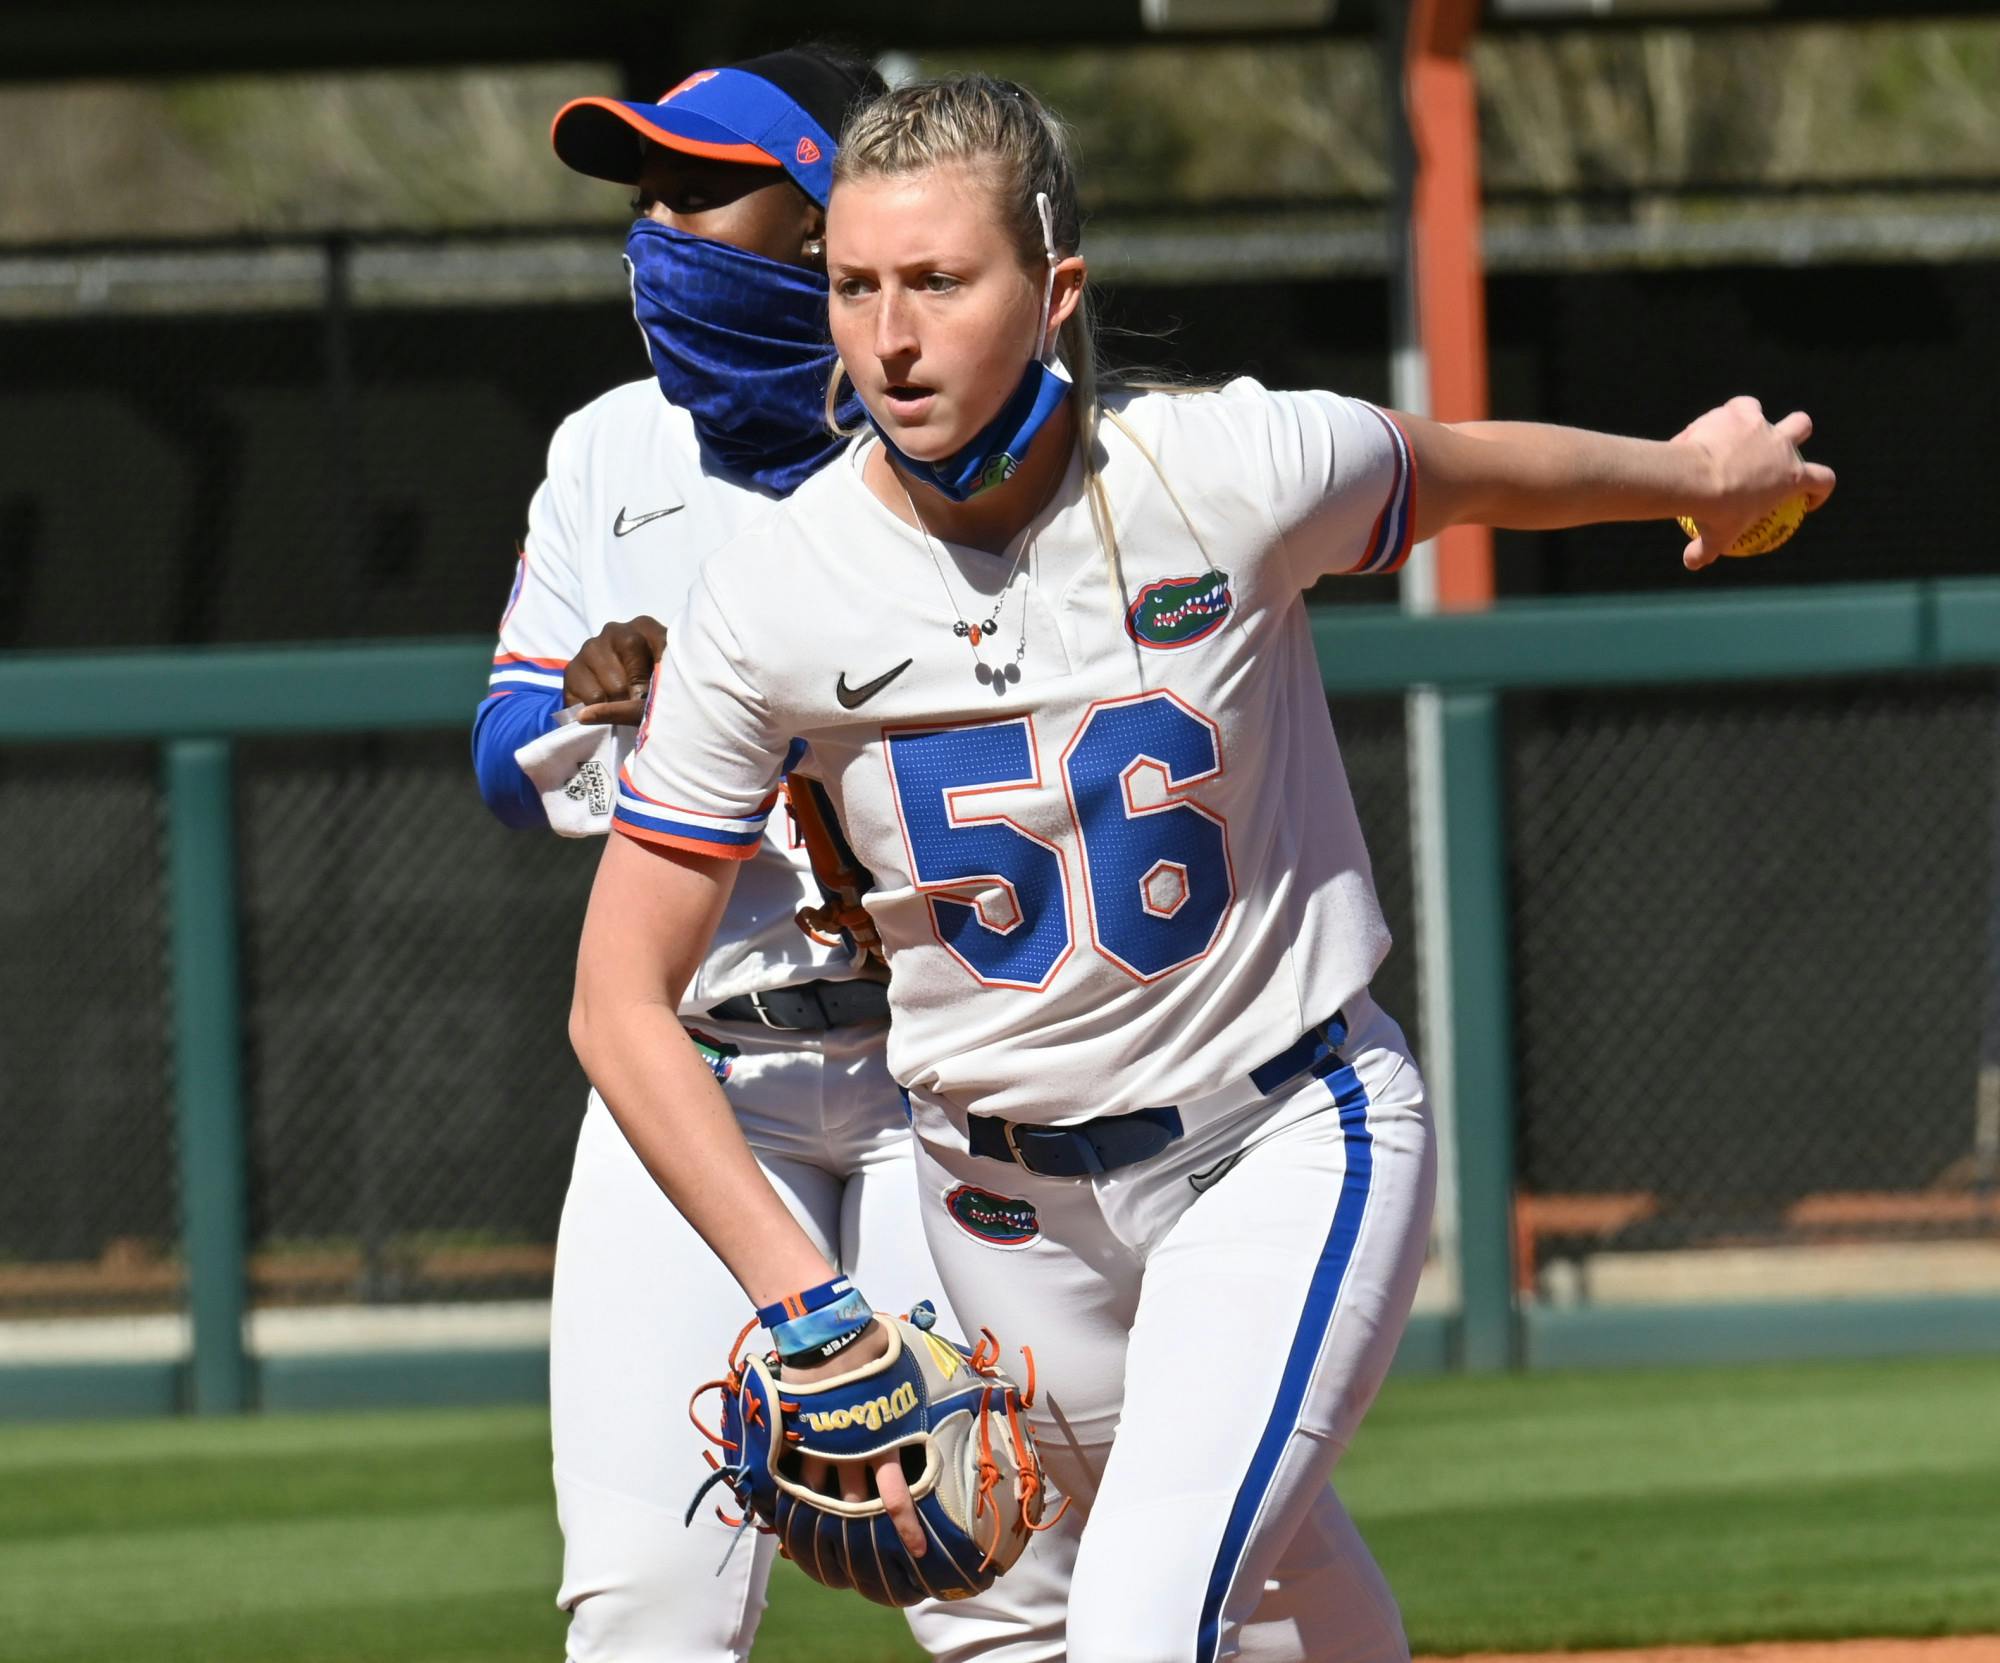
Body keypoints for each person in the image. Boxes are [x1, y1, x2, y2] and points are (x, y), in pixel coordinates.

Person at [569, 74, 1835, 1663]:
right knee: (1289, 1586)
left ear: (1055, 291)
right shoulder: (776, 596)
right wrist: (803, 1298)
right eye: (854, 285)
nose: (888, 339)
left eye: (941, 284)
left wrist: (1698, 474)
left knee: (1144, 1623)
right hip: (1005, 1210)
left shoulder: (1224, 472)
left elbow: (1474, 466)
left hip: (1282, 1134)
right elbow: (621, 1002)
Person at [472, 51, 1070, 1663]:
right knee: (643, 1600)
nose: (658, 225)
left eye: (695, 187)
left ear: (829, 218)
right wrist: (627, 727)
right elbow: (501, 760)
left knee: (995, 1573)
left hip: (942, 1081)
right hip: (700, 1084)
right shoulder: (611, 449)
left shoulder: (968, 454)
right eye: (642, 192)